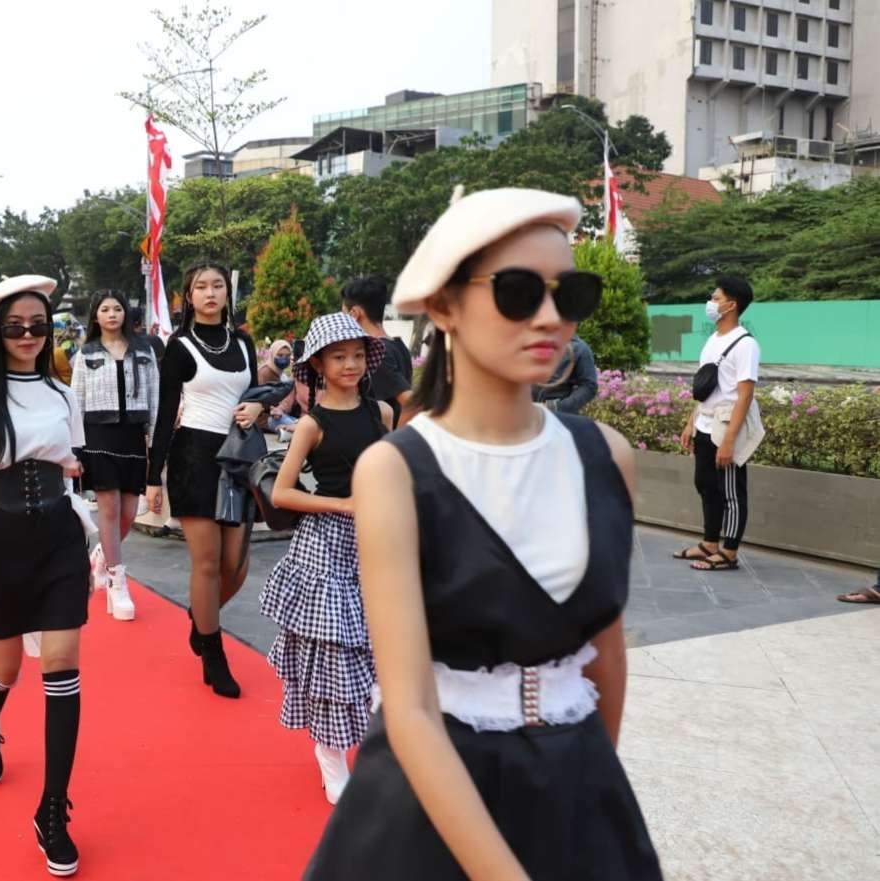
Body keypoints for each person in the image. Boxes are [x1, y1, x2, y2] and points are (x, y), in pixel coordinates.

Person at [303, 188, 660, 880]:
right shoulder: (397, 469)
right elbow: (408, 708)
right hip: (428, 802)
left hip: (577, 779)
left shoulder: (605, 454)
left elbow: (605, 655)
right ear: (443, 306)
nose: (552, 317)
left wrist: (590, 800)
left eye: (570, 291)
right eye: (520, 291)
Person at [0, 275, 94, 878]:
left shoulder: (62, 392)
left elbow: (71, 463)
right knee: (2, 669)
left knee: (61, 661)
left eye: (39, 325)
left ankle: (53, 811)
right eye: (16, 326)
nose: (29, 335)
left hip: (57, 538)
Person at [260, 313, 391, 804]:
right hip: (325, 547)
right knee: (329, 655)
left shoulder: (382, 414)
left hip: (377, 542)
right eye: (339, 356)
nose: (351, 364)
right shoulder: (311, 425)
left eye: (358, 354)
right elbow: (283, 493)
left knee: (377, 648)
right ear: (318, 363)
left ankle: (369, 742)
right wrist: (343, 505)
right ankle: (330, 752)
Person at [146, 261, 263, 699]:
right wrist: (152, 477)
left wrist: (261, 411)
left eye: (217, 285)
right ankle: (214, 654)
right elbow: (164, 415)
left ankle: (201, 622)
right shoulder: (178, 346)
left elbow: (253, 396)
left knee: (237, 564)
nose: (210, 293)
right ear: (188, 296)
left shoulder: (245, 342)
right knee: (209, 562)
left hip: (239, 456)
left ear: (227, 294)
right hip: (194, 455)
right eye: (201, 286)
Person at [72, 291, 159, 621]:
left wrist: (155, 445)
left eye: (117, 308)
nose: (111, 314)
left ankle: (102, 555)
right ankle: (117, 582)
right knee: (108, 507)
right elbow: (76, 400)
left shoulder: (144, 350)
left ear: (127, 312)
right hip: (98, 433)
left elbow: (155, 397)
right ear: (96, 316)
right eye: (105, 309)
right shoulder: (86, 353)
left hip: (133, 436)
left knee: (129, 511)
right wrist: (75, 447)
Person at [675, 275, 760, 573]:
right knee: (705, 485)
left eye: (715, 298)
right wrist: (691, 422)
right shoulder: (712, 340)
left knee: (732, 492)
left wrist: (729, 441)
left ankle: (729, 552)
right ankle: (710, 542)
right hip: (705, 425)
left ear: (731, 305)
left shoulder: (745, 344)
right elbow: (705, 387)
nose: (710, 303)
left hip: (726, 429)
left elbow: (745, 395)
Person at [342, 276, 416, 427]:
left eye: (344, 314)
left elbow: (411, 402)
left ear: (355, 313)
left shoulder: (378, 352)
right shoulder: (398, 345)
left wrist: (395, 442)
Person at [532, 333, 599, 414]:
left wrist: (556, 406)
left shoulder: (579, 348)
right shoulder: (526, 341)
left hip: (557, 415)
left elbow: (589, 386)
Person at [258, 339, 298, 434]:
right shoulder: (266, 372)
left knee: (301, 424)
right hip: (265, 418)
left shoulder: (278, 372)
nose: (284, 358)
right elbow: (263, 399)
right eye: (280, 355)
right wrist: (275, 409)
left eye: (287, 356)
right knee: (300, 430)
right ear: (272, 355)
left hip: (278, 413)